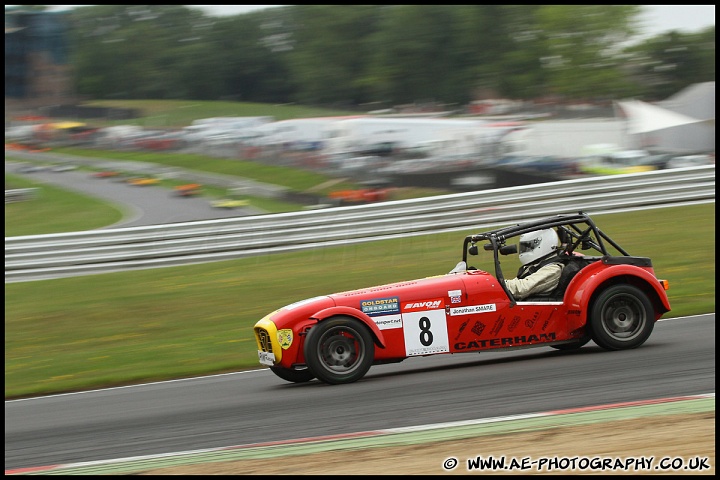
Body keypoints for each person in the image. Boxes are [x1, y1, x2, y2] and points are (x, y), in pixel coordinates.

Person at [505, 228, 563, 300]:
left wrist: (495, 284)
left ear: (543, 244)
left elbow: (522, 289)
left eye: (528, 246)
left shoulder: (553, 269)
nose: (525, 250)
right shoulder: (537, 265)